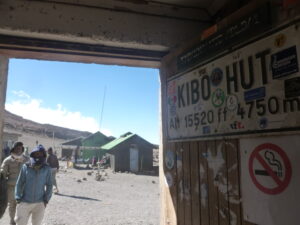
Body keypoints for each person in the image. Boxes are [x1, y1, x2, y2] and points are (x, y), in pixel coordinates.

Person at [14, 144, 52, 225]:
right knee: (20, 223)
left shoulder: (47, 169)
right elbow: (19, 182)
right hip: (24, 202)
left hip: (39, 203)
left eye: (40, 153)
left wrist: (46, 200)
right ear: (33, 154)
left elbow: (49, 185)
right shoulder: (26, 167)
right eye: (36, 153)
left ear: (43, 155)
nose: (38, 155)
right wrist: (18, 198)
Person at [0, 142, 29, 225]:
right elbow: (3, 173)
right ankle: (12, 221)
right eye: (17, 147)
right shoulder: (8, 160)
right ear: (13, 148)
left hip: (24, 187)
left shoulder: (26, 160)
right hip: (11, 187)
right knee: (12, 206)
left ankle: (20, 222)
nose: (19, 148)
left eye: (20, 147)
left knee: (22, 206)